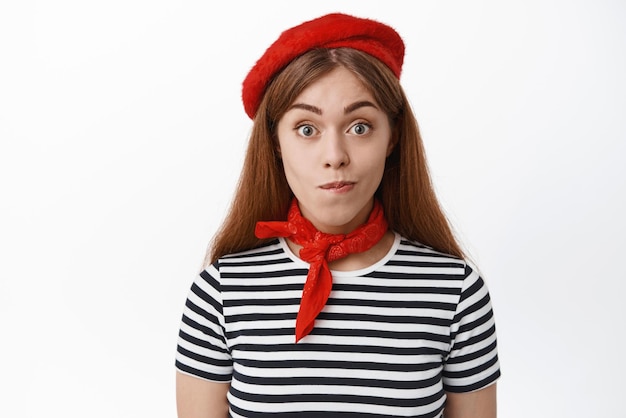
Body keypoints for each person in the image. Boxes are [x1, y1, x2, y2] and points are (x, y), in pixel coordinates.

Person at [175, 12, 501, 418]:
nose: (335, 157)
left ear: (393, 137)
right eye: (307, 129)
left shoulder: (456, 292)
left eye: (360, 126)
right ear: (275, 142)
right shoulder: (221, 292)